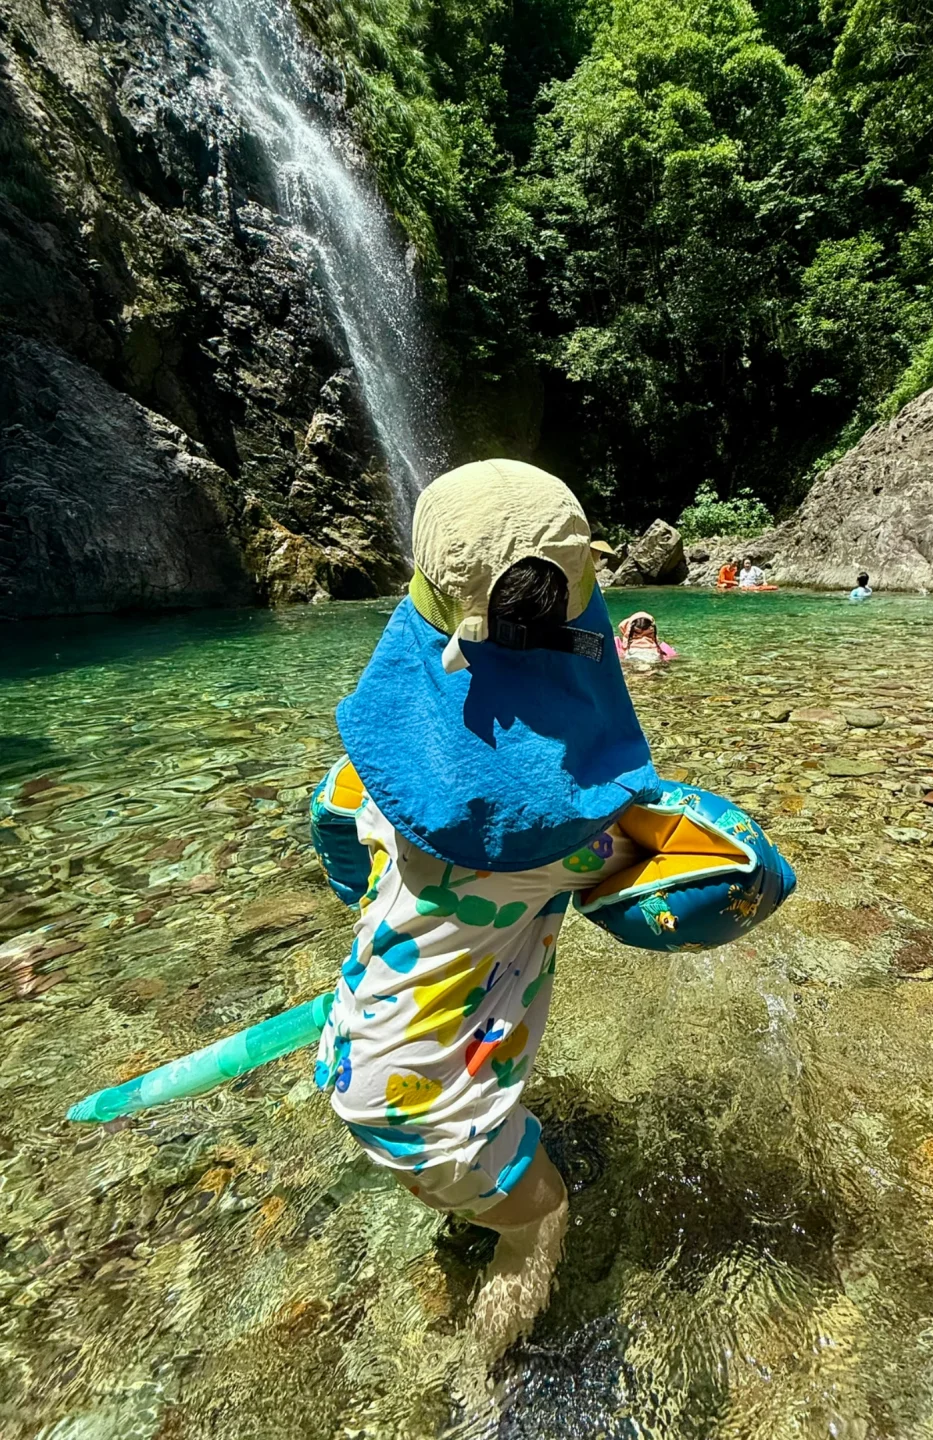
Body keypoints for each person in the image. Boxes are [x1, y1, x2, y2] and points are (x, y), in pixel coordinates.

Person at [317, 459, 661, 1361]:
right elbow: (665, 868)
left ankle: (459, 1198)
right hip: (435, 1107)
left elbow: (337, 831)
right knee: (541, 1228)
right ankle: (479, 1380)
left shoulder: (376, 784)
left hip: (361, 1046)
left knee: (475, 1183)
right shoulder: (555, 843)